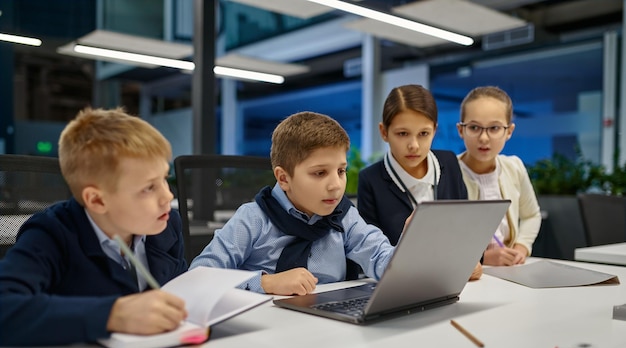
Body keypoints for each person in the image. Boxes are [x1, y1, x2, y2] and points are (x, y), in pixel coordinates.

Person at [0, 107, 188, 347]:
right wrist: (113, 315)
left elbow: (179, 291)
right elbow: (5, 306)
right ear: (97, 200)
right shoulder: (52, 233)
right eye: (149, 188)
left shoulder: (165, 224)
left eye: (164, 178)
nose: (167, 196)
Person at [190, 111, 396, 295]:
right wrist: (265, 282)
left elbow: (380, 256)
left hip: (330, 320)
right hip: (265, 326)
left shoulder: (344, 215)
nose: (336, 185)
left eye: (341, 171)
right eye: (320, 173)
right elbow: (199, 276)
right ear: (284, 178)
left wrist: (411, 250)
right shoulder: (253, 219)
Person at [357, 84, 481, 280]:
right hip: (403, 283)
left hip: (453, 281)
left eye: (423, 134)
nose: (414, 145)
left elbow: (466, 229)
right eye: (402, 134)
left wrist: (471, 260)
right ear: (384, 132)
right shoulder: (370, 180)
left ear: (434, 130)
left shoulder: (449, 163)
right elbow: (369, 254)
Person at [456, 86, 541, 266]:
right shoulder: (447, 172)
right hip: (464, 273)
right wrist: (483, 258)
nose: (484, 138)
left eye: (494, 128)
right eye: (474, 127)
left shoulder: (514, 167)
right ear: (461, 130)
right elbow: (442, 235)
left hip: (510, 269)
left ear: (509, 131)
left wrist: (521, 247)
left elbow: (531, 215)